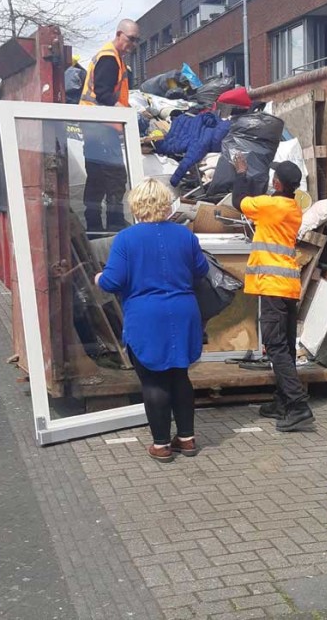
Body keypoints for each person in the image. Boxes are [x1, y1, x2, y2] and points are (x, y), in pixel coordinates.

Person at [95, 178, 209, 462]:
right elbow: (202, 270)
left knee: (153, 380)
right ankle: (187, 439)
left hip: (146, 315)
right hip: (184, 312)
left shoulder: (126, 238)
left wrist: (99, 277)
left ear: (136, 206)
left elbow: (112, 282)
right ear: (166, 205)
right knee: (180, 375)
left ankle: (161, 444)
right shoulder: (185, 236)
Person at [232, 153, 315, 432]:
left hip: (272, 285)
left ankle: (298, 406)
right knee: (286, 346)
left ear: (277, 184)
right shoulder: (291, 207)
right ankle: (282, 400)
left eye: (274, 176)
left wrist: (242, 173)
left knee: (275, 346)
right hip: (288, 286)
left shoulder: (270, 206)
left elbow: (238, 202)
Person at [79, 20, 141, 232]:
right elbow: (104, 93)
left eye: (136, 40)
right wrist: (124, 113)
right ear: (119, 34)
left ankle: (94, 227)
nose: (133, 44)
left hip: (95, 125)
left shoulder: (112, 57)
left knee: (96, 177)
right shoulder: (109, 58)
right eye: (130, 39)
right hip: (101, 126)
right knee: (115, 178)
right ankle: (113, 226)